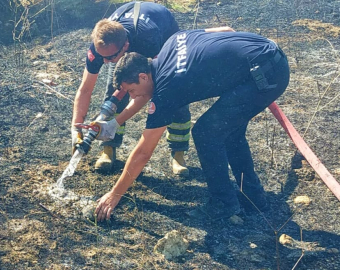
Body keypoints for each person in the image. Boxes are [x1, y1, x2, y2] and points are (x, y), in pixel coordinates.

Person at [93, 29, 290, 221]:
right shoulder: (172, 42)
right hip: (268, 53)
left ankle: (223, 203)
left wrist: (115, 194)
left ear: (143, 77)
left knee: (207, 133)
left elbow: (144, 152)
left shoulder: (166, 89)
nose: (133, 97)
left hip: (265, 75)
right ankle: (254, 199)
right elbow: (225, 29)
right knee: (230, 133)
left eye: (132, 90)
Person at [72, 1, 191, 175]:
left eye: (110, 57)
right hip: (128, 37)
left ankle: (178, 153)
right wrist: (75, 129)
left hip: (164, 34)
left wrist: (114, 123)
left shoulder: (149, 39)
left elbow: (147, 91)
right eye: (101, 57)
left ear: (125, 46)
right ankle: (108, 149)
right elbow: (85, 90)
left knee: (174, 93)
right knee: (112, 90)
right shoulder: (102, 47)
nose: (104, 62)